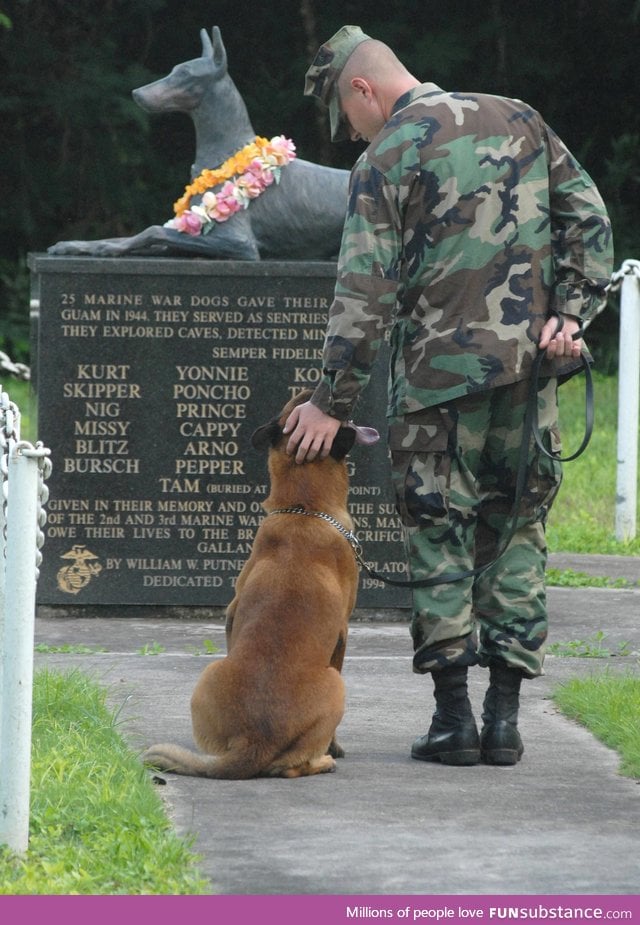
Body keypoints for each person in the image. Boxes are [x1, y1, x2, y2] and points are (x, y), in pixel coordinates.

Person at [283, 26, 613, 766]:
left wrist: (329, 400)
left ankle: (453, 722)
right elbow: (589, 223)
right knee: (517, 530)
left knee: (441, 535)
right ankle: (505, 721)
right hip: (529, 378)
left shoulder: (387, 156)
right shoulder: (520, 117)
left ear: (362, 89)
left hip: (436, 389)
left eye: (348, 116)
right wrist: (571, 314)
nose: (353, 133)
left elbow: (364, 291)